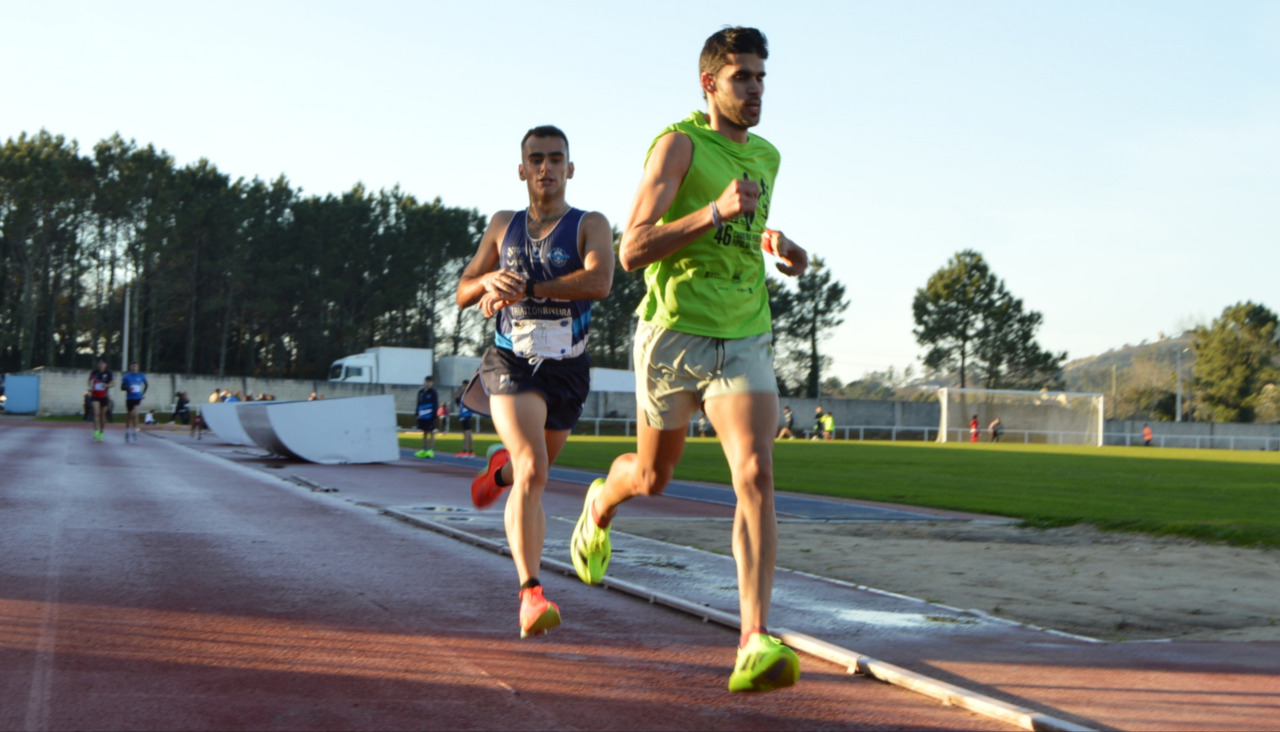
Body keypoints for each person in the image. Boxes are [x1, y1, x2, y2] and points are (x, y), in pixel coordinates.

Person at [569, 27, 808, 693]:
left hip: (745, 334)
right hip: (674, 334)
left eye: (761, 77)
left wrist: (782, 250)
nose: (756, 90)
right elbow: (633, 249)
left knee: (756, 474)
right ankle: (599, 504)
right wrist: (712, 210)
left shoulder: (767, 155)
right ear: (710, 84)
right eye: (742, 79)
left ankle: (753, 639)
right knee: (652, 477)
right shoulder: (677, 144)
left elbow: (744, 229)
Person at [457, 124, 613, 640]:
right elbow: (462, 290)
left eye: (555, 159)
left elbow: (600, 282)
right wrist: (487, 282)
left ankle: (496, 474)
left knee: (530, 471)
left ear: (570, 168)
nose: (546, 167)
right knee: (534, 470)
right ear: (521, 169)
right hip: (511, 362)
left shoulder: (590, 224)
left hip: (568, 369)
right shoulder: (504, 225)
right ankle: (531, 593)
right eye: (536, 159)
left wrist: (528, 286)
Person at [120, 361, 149, 443]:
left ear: (138, 367)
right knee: (130, 415)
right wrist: (128, 389)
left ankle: (135, 431)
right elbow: (122, 387)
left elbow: (146, 385)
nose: (134, 368)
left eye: (136, 366)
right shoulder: (127, 376)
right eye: (133, 366)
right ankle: (127, 431)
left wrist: (143, 394)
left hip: (138, 397)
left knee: (136, 414)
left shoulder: (141, 375)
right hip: (129, 398)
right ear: (130, 367)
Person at [87, 358, 114, 442]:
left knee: (103, 415)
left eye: (102, 364)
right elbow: (90, 381)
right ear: (97, 365)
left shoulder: (108, 373)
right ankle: (96, 429)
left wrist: (107, 385)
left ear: (105, 365)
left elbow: (113, 383)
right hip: (95, 395)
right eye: (99, 364)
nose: (101, 365)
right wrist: (91, 386)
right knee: (96, 412)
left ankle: (101, 432)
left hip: (104, 396)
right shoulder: (94, 373)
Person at [415, 376, 438, 458]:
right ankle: (424, 449)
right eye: (426, 382)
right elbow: (418, 403)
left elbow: (435, 404)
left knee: (431, 432)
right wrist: (417, 414)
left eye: (429, 382)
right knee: (424, 433)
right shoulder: (420, 392)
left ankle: (431, 450)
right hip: (422, 416)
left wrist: (434, 415)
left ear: (432, 383)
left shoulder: (433, 393)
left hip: (430, 415)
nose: (427, 384)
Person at [456, 379, 476, 458]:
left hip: (467, 415)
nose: (464, 387)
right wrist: (457, 398)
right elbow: (460, 405)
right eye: (463, 386)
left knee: (467, 434)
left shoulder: (469, 394)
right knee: (467, 434)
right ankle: (471, 451)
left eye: (465, 386)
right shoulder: (462, 395)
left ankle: (465, 450)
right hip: (463, 415)